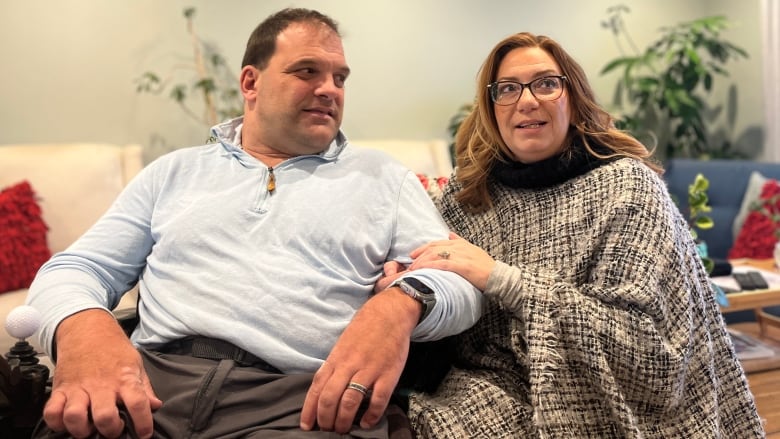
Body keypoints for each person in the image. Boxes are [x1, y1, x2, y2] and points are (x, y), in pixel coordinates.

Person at [25, 8, 483, 438]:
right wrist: (83, 329)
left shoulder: (385, 178)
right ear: (251, 81)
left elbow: (461, 287)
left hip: (301, 402)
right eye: (308, 71)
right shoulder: (175, 172)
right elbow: (77, 268)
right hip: (150, 385)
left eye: (340, 78)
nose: (330, 89)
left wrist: (399, 306)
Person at [377, 32, 765, 437]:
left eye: (546, 83)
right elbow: (447, 334)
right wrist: (408, 292)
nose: (527, 101)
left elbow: (651, 361)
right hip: (478, 398)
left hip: (602, 412)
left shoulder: (628, 188)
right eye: (507, 89)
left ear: (574, 99)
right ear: (491, 109)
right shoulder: (463, 199)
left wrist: (502, 279)